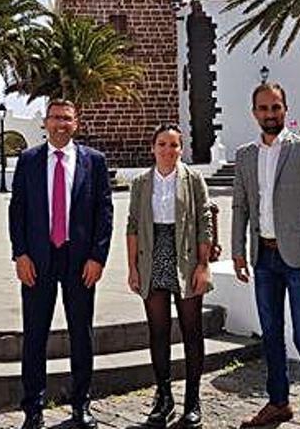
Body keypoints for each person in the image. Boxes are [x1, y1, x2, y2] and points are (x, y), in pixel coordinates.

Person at [9, 99, 114, 429]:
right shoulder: (28, 160)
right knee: (35, 335)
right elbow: (18, 211)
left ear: (76, 123)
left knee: (81, 334)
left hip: (79, 260)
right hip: (37, 260)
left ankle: (81, 405)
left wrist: (98, 257)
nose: (60, 124)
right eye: (55, 118)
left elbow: (104, 213)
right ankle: (33, 408)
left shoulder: (93, 161)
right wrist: (20, 254)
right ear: (46, 122)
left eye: (67, 118)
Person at [231, 83, 300, 429]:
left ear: (285, 109)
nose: (269, 114)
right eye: (263, 108)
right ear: (254, 112)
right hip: (264, 260)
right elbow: (241, 206)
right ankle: (278, 404)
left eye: (275, 108)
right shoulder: (245, 155)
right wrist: (238, 252)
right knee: (271, 335)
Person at [126, 124, 213, 428]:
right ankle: (163, 398)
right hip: (152, 256)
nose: (168, 150)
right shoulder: (141, 182)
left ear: (181, 148)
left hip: (186, 257)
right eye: (162, 144)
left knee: (191, 330)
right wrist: (133, 268)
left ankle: (193, 400)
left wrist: (203, 265)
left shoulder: (193, 179)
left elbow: (205, 221)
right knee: (158, 332)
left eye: (174, 145)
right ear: (153, 147)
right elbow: (133, 225)